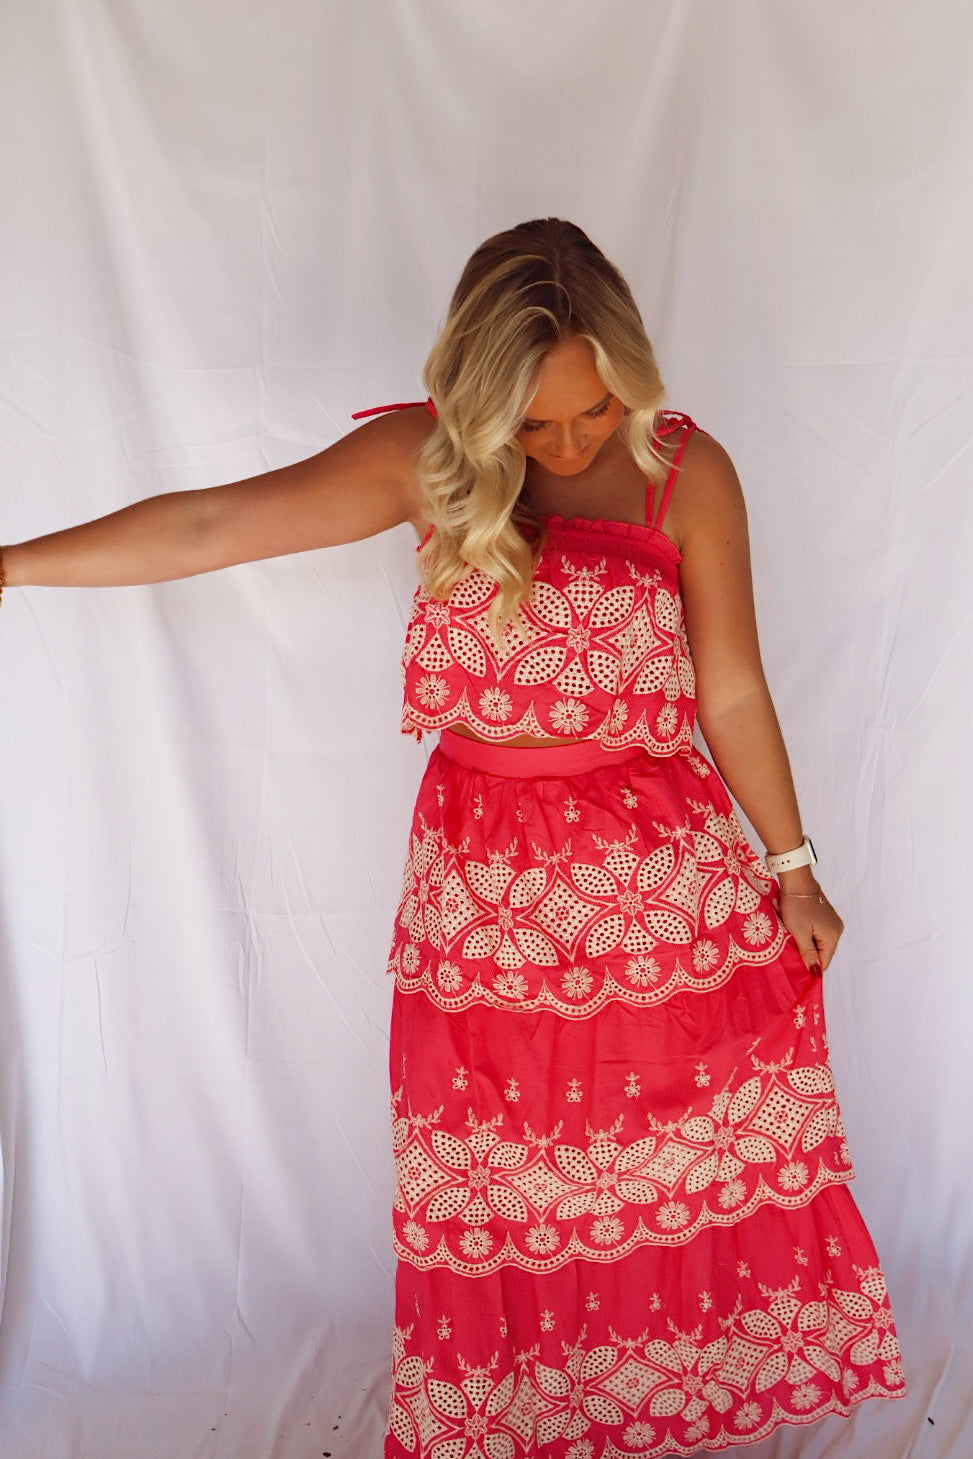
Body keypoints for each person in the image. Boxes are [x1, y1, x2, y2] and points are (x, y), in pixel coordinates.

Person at [1, 218, 903, 1457]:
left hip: (661, 896)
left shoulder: (686, 472)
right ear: (477, 400)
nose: (570, 444)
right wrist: (9, 566)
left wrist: (794, 868)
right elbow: (214, 526)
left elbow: (732, 689)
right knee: (497, 1184)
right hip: (480, 904)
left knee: (659, 1173)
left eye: (593, 410)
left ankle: (649, 1420)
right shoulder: (421, 462)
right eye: (534, 424)